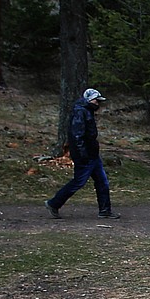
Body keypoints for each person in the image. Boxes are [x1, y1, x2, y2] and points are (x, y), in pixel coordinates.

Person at [45, 88, 119, 219]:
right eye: (97, 101)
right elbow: (77, 136)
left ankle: (105, 210)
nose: (98, 104)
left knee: (102, 182)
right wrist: (82, 154)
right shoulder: (80, 112)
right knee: (78, 182)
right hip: (85, 155)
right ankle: (54, 203)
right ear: (90, 100)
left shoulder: (86, 111)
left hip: (92, 154)